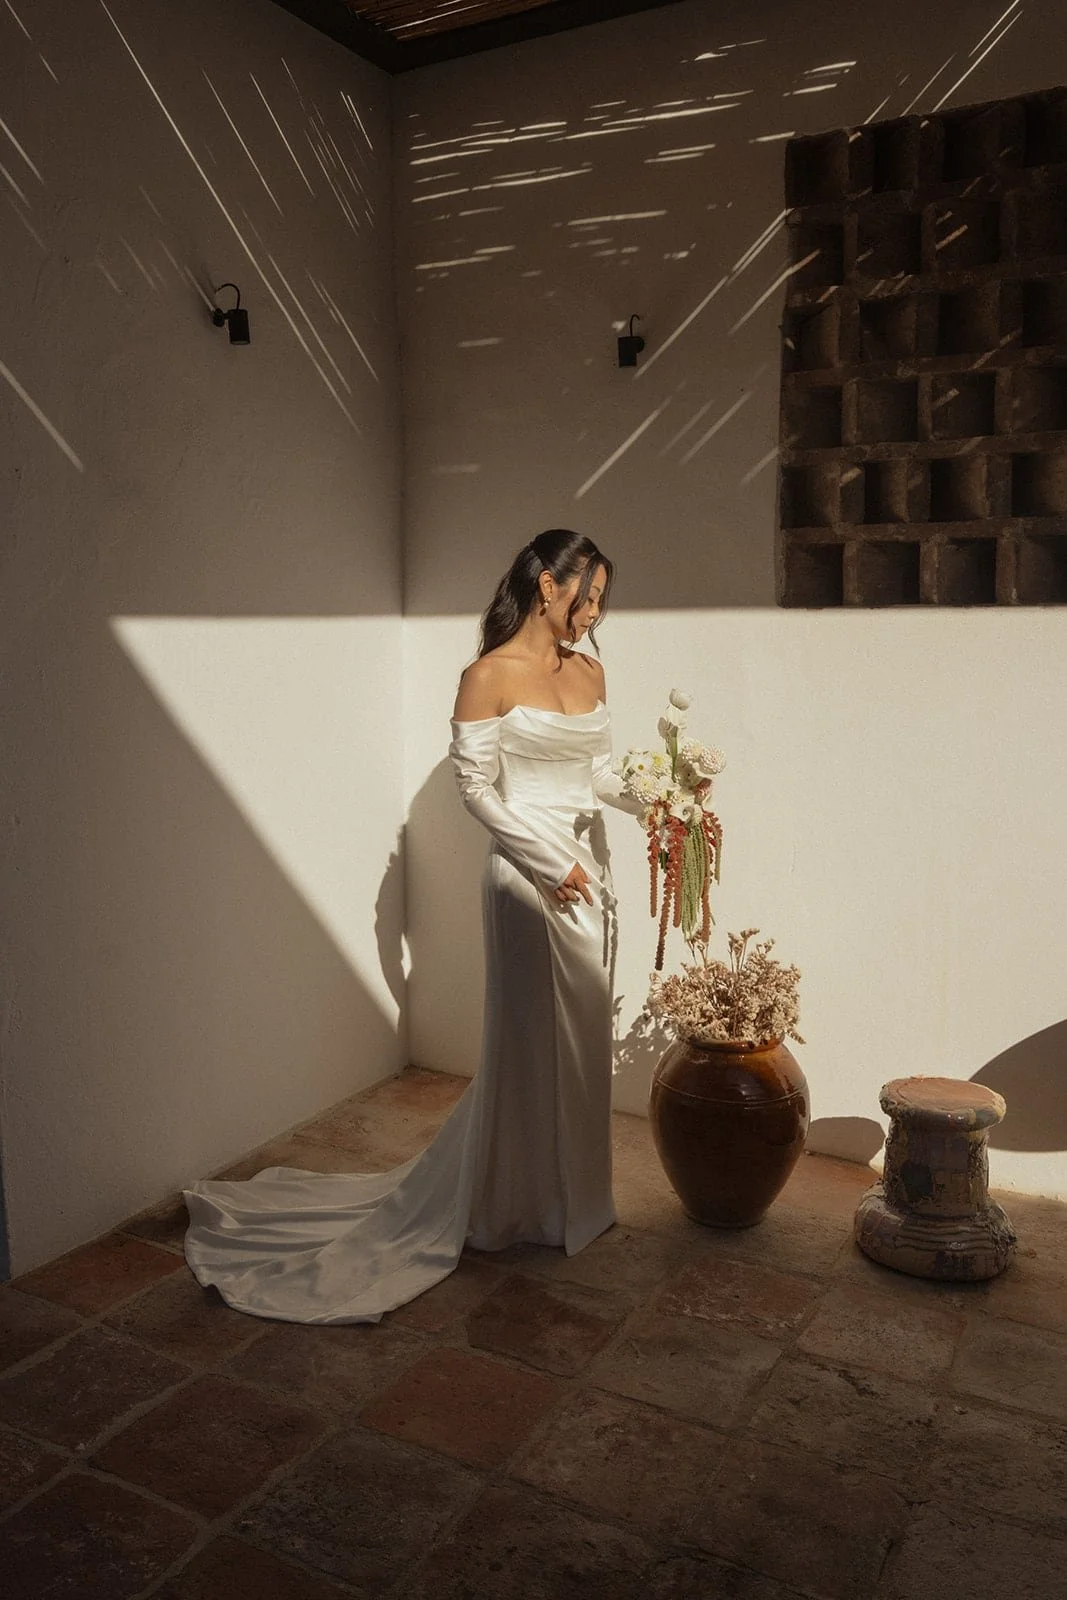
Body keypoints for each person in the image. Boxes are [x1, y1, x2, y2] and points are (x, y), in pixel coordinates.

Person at [181, 530, 639, 1324]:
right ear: (544, 585)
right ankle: (513, 1204)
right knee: (530, 1041)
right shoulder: (486, 675)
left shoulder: (592, 670)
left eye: (601, 599)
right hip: (532, 881)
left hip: (591, 876)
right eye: (584, 595)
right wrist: (545, 860)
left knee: (583, 1038)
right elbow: (476, 791)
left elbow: (594, 769)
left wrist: (655, 796)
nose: (592, 613)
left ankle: (574, 1202)